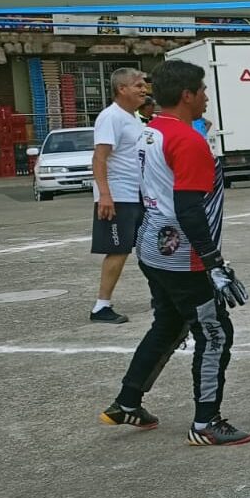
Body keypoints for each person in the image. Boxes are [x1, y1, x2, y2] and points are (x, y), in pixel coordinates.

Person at [99, 59, 250, 446]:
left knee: (168, 324)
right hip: (182, 253)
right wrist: (215, 263)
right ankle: (205, 422)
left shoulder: (151, 131)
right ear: (187, 95)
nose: (205, 97)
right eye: (202, 90)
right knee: (215, 332)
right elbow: (188, 208)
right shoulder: (186, 140)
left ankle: (127, 400)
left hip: (152, 246)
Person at [90, 68, 148, 324]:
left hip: (138, 195)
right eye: (138, 85)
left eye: (144, 84)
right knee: (118, 250)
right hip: (118, 196)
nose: (144, 89)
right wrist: (105, 195)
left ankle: (161, 296)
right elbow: (99, 157)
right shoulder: (110, 117)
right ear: (121, 89)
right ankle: (101, 307)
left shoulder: (133, 117)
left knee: (149, 247)